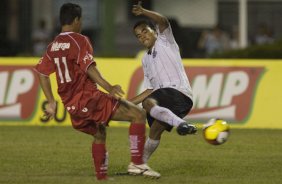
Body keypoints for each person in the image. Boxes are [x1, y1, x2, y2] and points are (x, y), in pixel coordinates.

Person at [34, 3, 160, 180]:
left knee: (100, 131)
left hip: (72, 105)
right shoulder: (79, 40)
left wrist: (52, 102)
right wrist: (108, 87)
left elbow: (41, 73)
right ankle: (137, 163)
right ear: (77, 20)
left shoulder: (53, 46)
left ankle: (101, 176)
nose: (82, 23)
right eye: (81, 19)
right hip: (87, 98)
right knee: (138, 114)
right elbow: (89, 68)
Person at [130, 2, 197, 176]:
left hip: (178, 92)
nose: (142, 36)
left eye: (145, 31)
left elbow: (163, 20)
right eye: (138, 35)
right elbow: (149, 89)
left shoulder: (165, 41)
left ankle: (181, 124)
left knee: (149, 103)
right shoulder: (145, 59)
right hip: (166, 98)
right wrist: (126, 103)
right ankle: (139, 165)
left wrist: (143, 11)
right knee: (155, 129)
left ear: (154, 31)